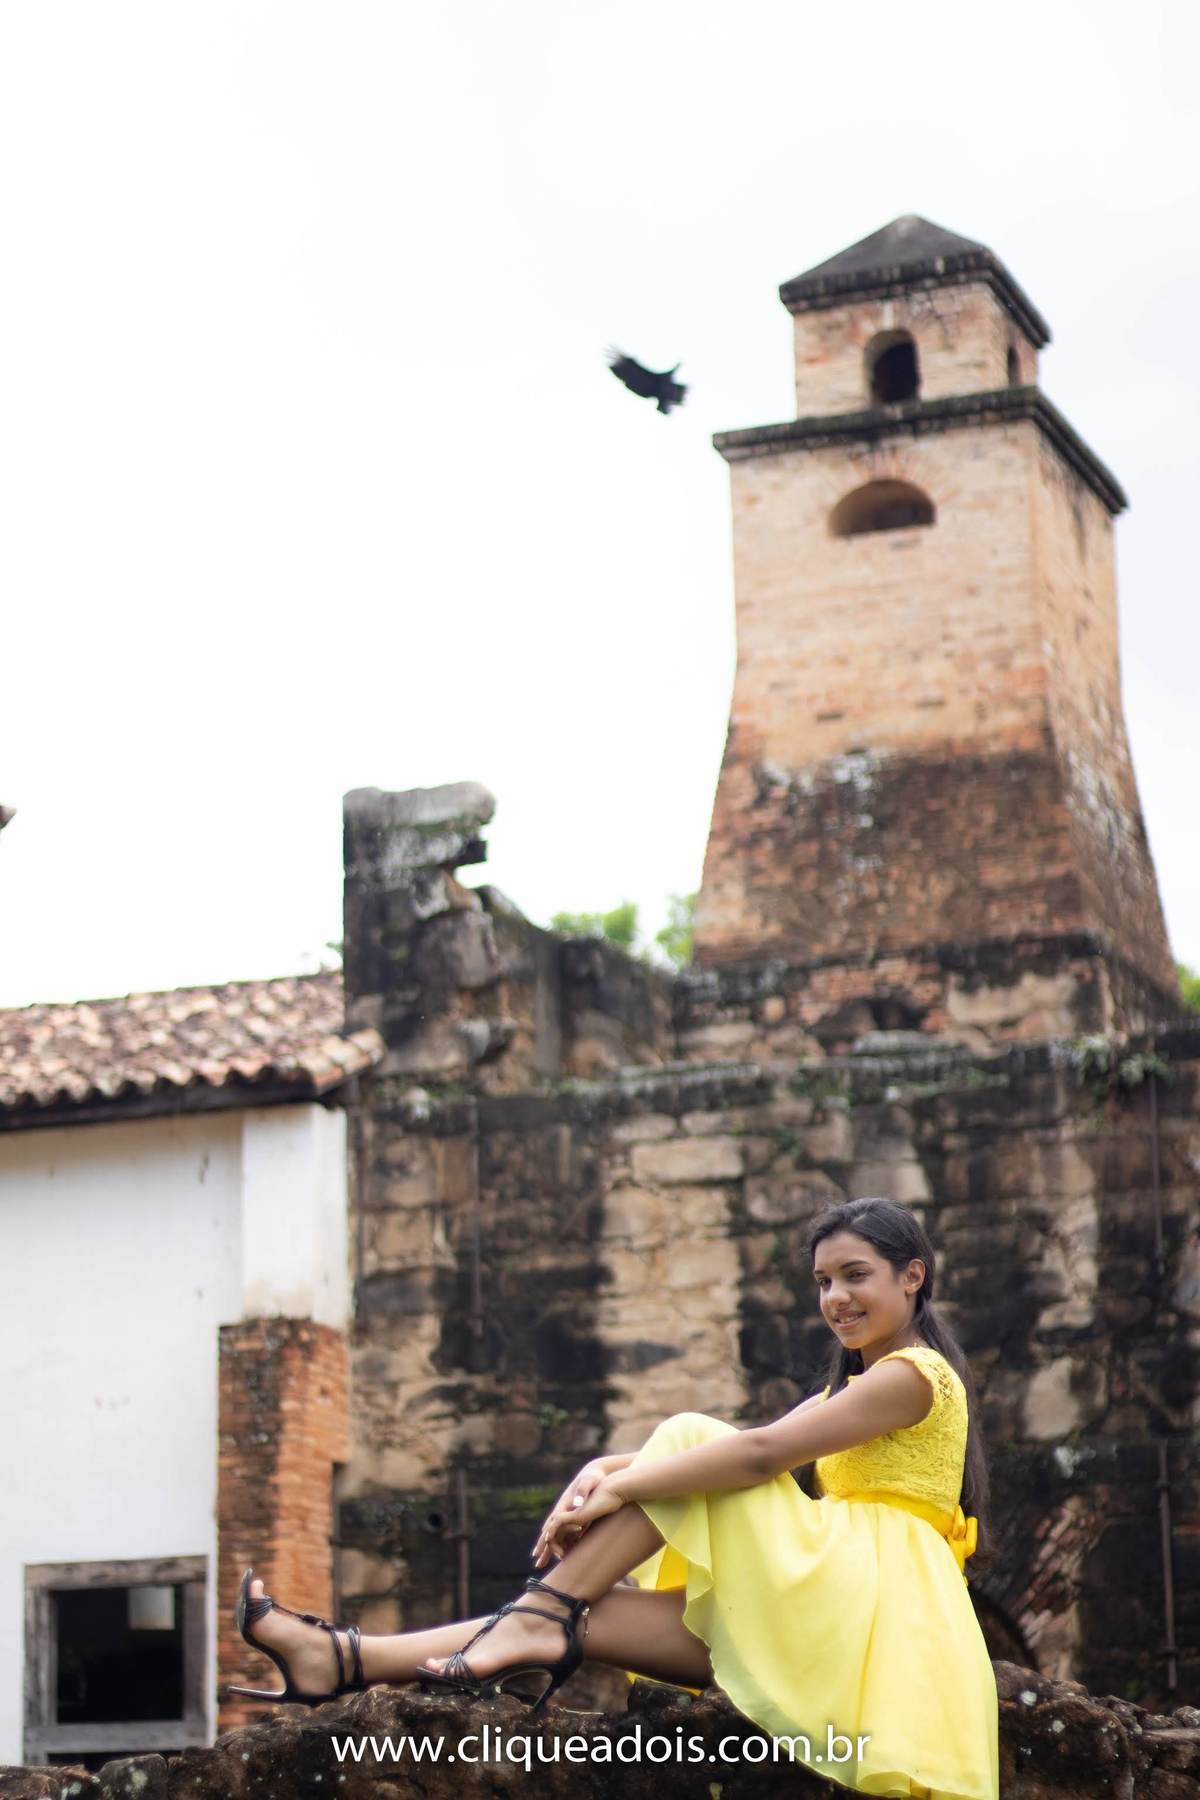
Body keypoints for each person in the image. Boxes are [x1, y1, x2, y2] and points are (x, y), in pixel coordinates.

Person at [232, 1196, 1000, 1800]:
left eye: (856, 1275)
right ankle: (342, 1659)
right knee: (587, 1617)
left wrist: (622, 1486)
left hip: (874, 1604)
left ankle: (539, 1614)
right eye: (824, 1282)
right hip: (834, 1603)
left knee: (689, 1432)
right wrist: (606, 1466)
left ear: (913, 1275)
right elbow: (755, 1437)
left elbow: (760, 1453)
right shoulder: (854, 1383)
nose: (836, 1297)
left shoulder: (914, 1375)